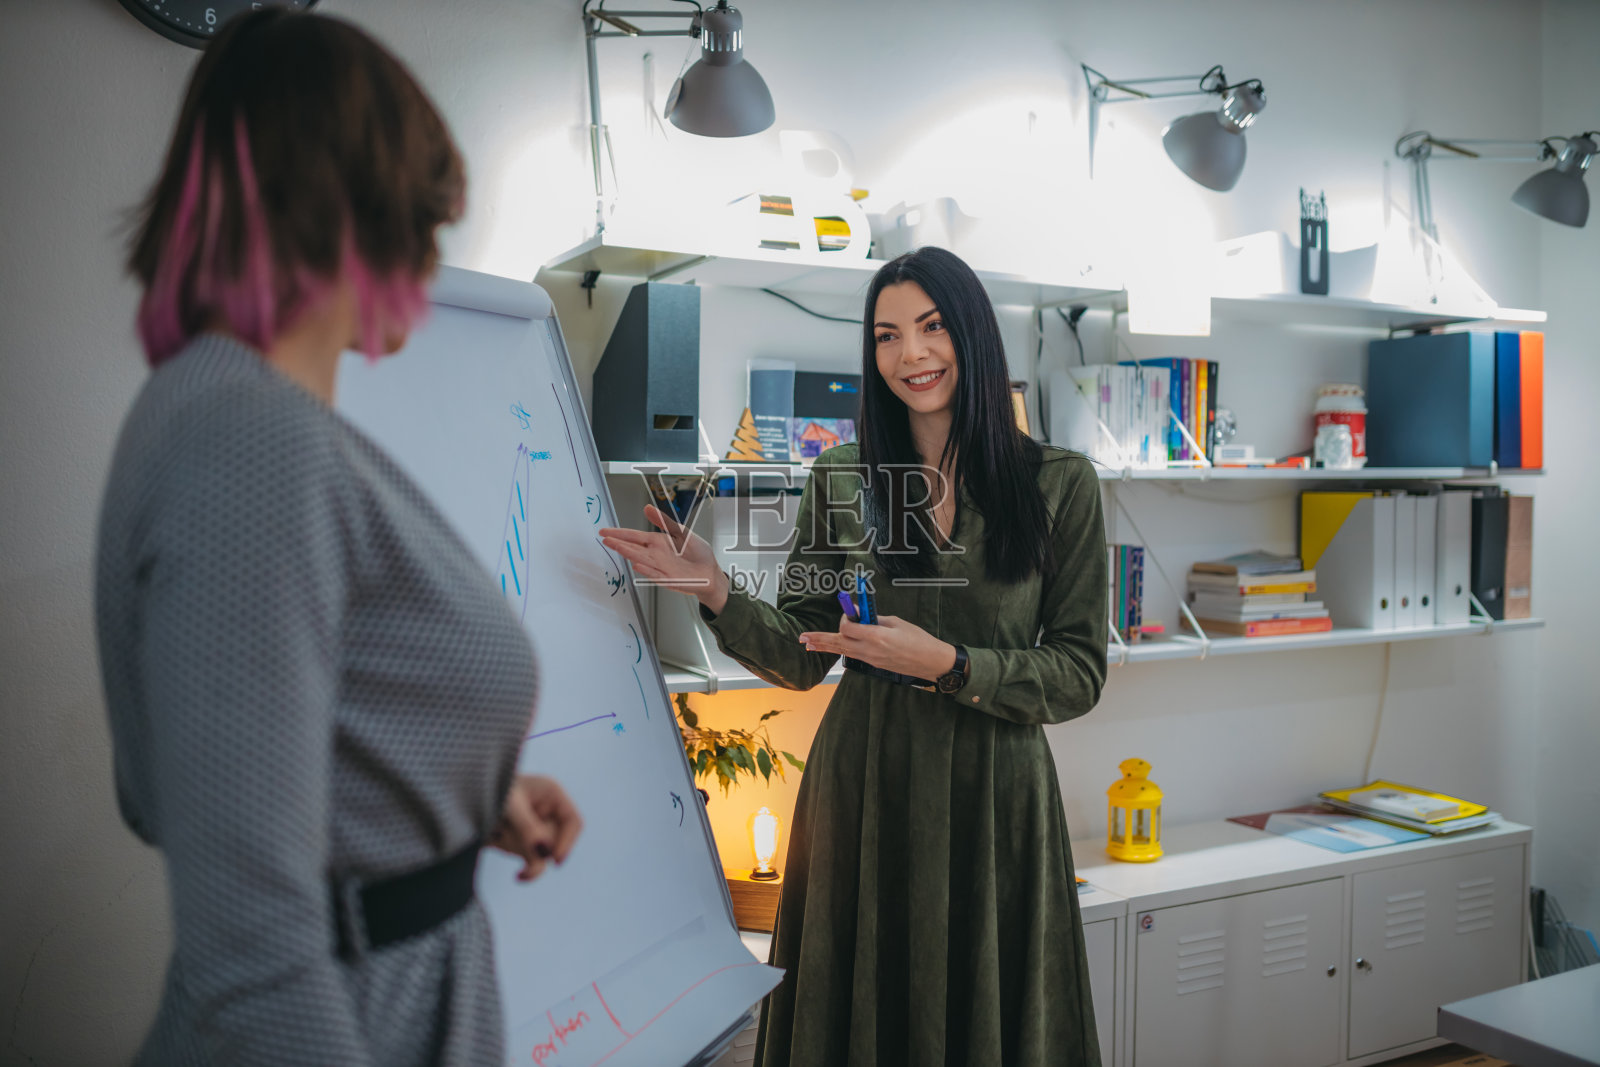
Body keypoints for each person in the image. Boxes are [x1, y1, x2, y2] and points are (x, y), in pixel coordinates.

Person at [95, 11, 581, 1065]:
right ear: (355, 203)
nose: (432, 251)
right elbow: (252, 943)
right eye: (424, 216)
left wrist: (464, 795)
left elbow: (281, 739)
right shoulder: (247, 442)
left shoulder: (239, 416)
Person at [600, 245, 1108, 1066]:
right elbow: (803, 652)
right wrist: (716, 589)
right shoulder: (841, 478)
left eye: (933, 327)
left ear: (972, 334)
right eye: (887, 334)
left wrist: (952, 663)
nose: (911, 354)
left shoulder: (1060, 483)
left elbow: (1080, 670)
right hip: (864, 789)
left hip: (994, 799)